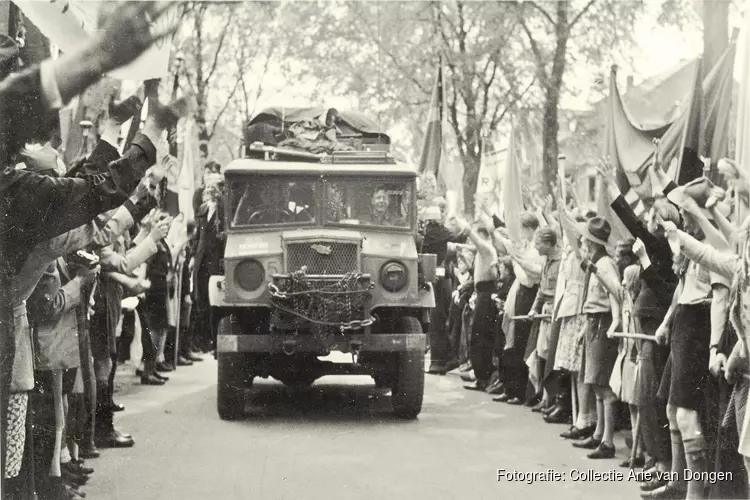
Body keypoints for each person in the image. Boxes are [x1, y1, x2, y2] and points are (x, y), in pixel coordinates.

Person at [419, 206, 467, 375]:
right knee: (438, 319)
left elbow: (457, 239)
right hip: (439, 278)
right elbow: (458, 238)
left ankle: (440, 361)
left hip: (436, 278)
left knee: (436, 319)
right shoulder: (439, 231)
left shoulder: (430, 232)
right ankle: (445, 359)